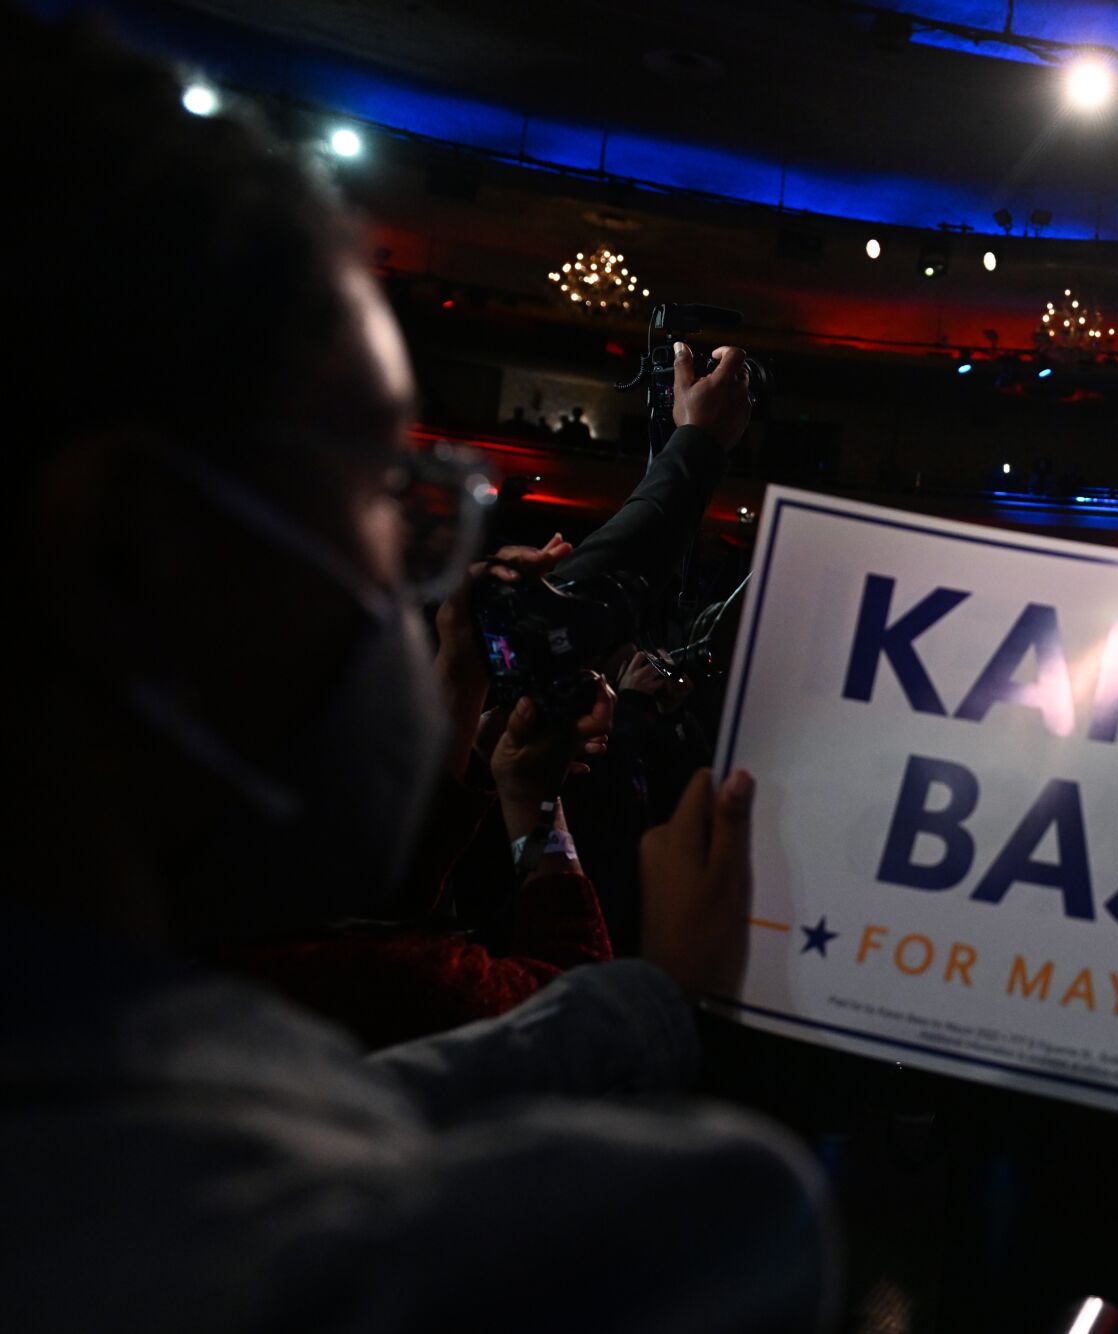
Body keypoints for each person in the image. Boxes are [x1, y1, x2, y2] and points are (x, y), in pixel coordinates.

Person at [2, 15, 833, 1329]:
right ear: (131, 555)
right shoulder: (580, 1257)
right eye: (391, 497)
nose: (434, 585)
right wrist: (667, 1013)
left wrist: (641, 1002)